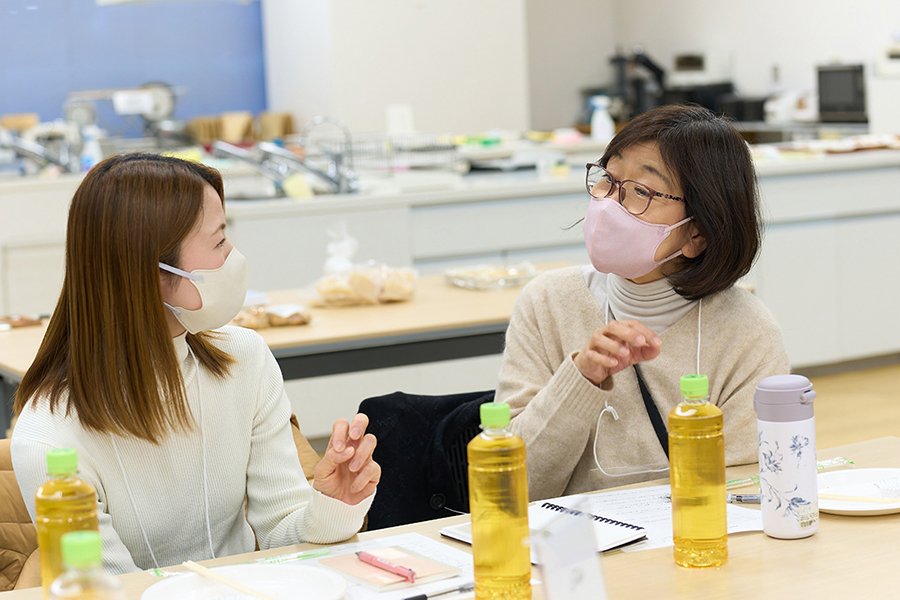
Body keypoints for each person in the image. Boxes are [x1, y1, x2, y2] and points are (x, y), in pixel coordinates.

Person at [11, 153, 380, 574]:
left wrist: (334, 503)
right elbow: (111, 591)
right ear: (153, 274)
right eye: (219, 241)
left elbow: (282, 533)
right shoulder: (48, 436)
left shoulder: (245, 359)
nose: (234, 257)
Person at [497, 105, 790, 501]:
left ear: (697, 234)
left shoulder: (747, 331)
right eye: (609, 180)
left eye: (641, 192)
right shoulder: (548, 301)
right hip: (576, 552)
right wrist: (581, 377)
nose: (610, 204)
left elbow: (746, 492)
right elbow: (511, 487)